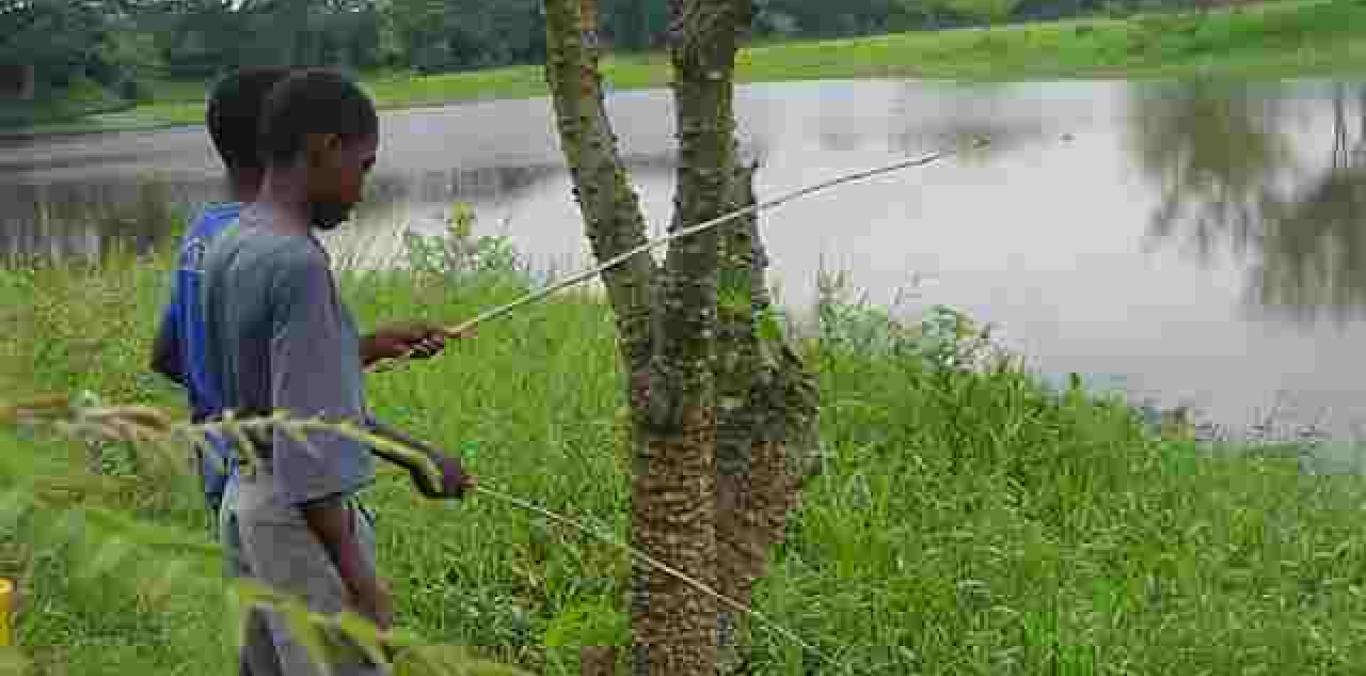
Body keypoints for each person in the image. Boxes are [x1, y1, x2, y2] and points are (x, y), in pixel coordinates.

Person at [199, 68, 472, 675]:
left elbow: (270, 394)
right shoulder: (298, 264)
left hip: (245, 506)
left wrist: (362, 348)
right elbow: (310, 440)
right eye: (365, 165)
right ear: (323, 149)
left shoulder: (233, 242)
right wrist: (361, 582)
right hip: (301, 525)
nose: (362, 188)